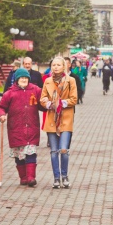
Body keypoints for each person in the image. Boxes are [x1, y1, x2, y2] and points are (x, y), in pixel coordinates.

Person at [0, 68, 43, 187]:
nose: (24, 79)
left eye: (26, 77)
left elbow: (42, 103)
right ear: (17, 79)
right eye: (21, 78)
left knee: (31, 151)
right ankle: (23, 177)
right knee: (19, 154)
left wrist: (47, 104)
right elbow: (0, 107)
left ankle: (31, 178)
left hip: (31, 127)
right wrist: (1, 115)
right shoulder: (9, 93)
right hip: (15, 129)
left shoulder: (35, 90)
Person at [40, 57, 77, 189]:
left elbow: (74, 99)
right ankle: (56, 178)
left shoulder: (70, 81)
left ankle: (64, 175)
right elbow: (42, 98)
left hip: (66, 118)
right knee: (54, 151)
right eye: (53, 65)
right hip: (51, 119)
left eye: (58, 65)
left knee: (63, 150)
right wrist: (49, 103)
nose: (55, 67)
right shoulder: (48, 81)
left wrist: (62, 103)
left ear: (63, 67)